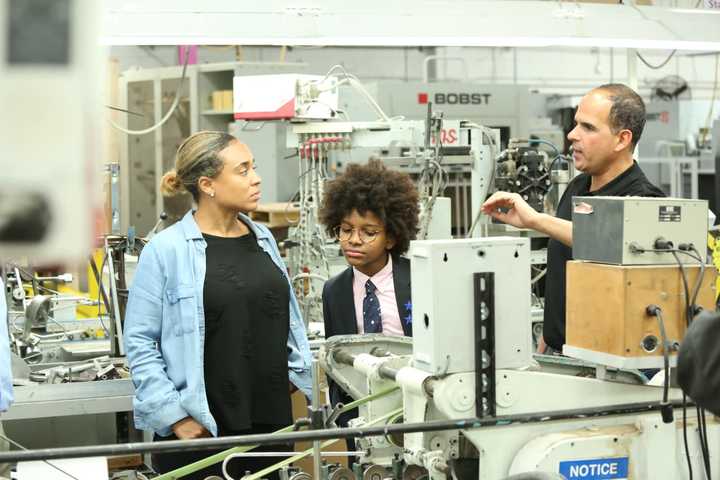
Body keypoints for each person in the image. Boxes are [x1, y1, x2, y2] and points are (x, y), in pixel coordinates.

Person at [124, 131, 312, 480]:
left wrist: (293, 374)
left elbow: (283, 320)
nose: (256, 178)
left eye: (253, 168)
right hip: (201, 433)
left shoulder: (263, 239)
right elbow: (139, 342)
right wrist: (175, 416)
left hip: (270, 428)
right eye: (243, 170)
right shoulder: (166, 251)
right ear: (208, 184)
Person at [482, 84, 664, 354]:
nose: (572, 135)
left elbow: (612, 242)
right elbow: (561, 279)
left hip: (608, 364)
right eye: (576, 124)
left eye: (588, 128)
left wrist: (536, 220)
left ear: (622, 140)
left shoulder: (645, 201)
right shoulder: (578, 187)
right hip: (560, 353)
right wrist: (548, 342)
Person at [319, 159, 419, 427]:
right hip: (360, 412)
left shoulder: (420, 279)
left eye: (369, 232)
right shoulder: (334, 291)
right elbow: (335, 360)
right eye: (346, 230)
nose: (354, 239)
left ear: (391, 237)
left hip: (416, 405)